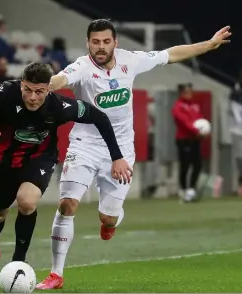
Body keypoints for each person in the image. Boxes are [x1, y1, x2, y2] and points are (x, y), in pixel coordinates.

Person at [36, 19, 231, 289]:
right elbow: (61, 80)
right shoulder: (82, 66)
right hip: (85, 144)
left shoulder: (132, 60)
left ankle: (112, 220)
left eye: (106, 41)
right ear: (88, 43)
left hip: (122, 150)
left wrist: (208, 46)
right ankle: (56, 274)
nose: (100, 47)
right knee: (67, 204)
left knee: (108, 217)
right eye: (95, 42)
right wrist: (44, 85)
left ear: (115, 42)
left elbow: (171, 54)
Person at [0, 62, 132, 288]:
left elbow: (100, 117)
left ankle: (19, 262)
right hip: (5, 160)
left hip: (39, 159)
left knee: (27, 202)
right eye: (27, 90)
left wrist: (117, 157)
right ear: (21, 84)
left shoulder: (61, 106)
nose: (32, 97)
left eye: (39, 91)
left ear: (49, 89)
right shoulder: (5, 92)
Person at [172, 83, 207, 202]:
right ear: (181, 93)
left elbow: (200, 119)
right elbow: (184, 122)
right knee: (185, 165)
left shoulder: (194, 105)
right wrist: (196, 130)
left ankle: (191, 188)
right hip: (183, 139)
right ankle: (183, 189)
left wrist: (204, 130)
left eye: (190, 92)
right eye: (186, 92)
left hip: (195, 139)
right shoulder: (178, 106)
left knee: (197, 164)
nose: (189, 94)